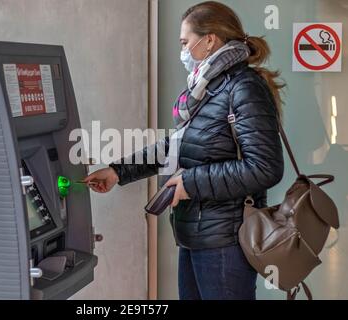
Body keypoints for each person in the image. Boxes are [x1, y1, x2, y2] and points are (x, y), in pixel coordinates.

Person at [83, 1, 285, 300]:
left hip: (225, 242)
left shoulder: (243, 87)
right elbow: (177, 146)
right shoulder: (207, 89)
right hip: (196, 235)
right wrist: (118, 171)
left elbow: (265, 167)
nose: (183, 50)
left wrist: (190, 182)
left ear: (209, 40)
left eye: (185, 42)